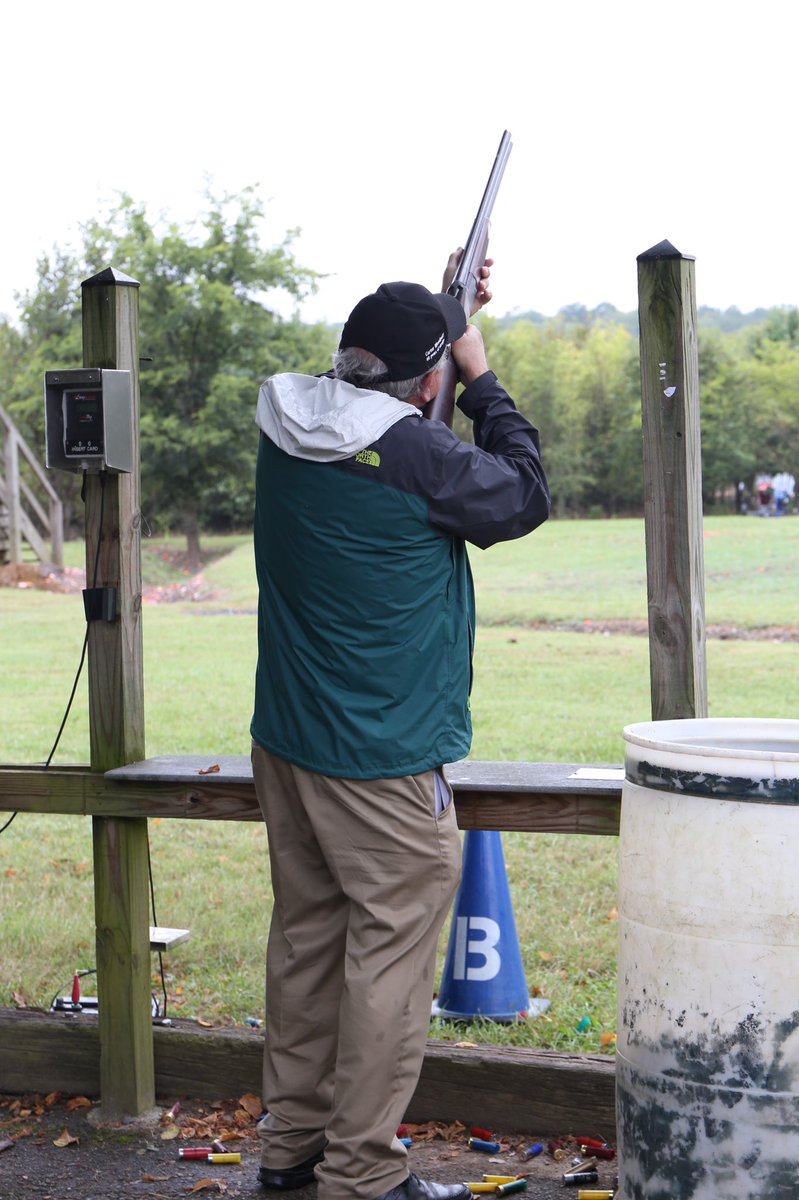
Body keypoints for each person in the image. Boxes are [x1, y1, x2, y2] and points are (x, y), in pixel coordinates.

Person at [250, 256, 551, 1200]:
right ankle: (363, 1178)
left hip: (289, 743)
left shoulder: (289, 418)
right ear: (432, 384)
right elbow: (522, 490)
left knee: (307, 940)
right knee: (386, 960)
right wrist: (480, 367)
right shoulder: (419, 451)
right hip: (378, 759)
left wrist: (440, 316)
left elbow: (380, 414)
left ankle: (290, 1153)